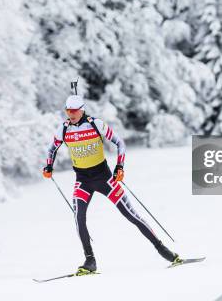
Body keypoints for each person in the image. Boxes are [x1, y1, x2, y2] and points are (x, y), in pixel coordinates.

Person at [43, 94, 180, 274]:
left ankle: (164, 250)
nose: (71, 114)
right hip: (83, 181)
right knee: (78, 217)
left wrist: (119, 167)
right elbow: (52, 148)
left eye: (74, 111)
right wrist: (48, 165)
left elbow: (119, 143)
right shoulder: (64, 129)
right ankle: (90, 261)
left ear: (82, 109)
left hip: (105, 179)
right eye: (68, 111)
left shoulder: (95, 124)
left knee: (131, 215)